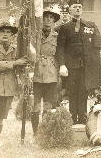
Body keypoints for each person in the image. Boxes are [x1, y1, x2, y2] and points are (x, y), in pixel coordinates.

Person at [56, 0, 101, 125]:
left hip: (85, 66)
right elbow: (60, 47)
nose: (78, 9)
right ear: (70, 9)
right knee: (72, 91)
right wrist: (62, 65)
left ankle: (82, 118)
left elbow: (96, 46)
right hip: (71, 66)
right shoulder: (64, 28)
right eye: (75, 7)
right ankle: (72, 117)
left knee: (83, 91)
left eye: (80, 7)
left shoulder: (89, 25)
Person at [0, 22, 29, 156]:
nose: (5, 34)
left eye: (8, 32)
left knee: (0, 119)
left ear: (12, 35)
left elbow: (20, 67)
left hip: (8, 89)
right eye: (2, 32)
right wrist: (15, 63)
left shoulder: (15, 50)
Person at [30, 8, 61, 136]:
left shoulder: (57, 37)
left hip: (51, 73)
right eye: (45, 17)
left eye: (50, 17)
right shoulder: (34, 36)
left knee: (48, 105)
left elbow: (60, 55)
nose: (48, 19)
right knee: (35, 105)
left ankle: (44, 133)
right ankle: (35, 133)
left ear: (54, 20)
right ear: (40, 19)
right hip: (36, 73)